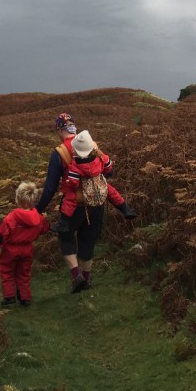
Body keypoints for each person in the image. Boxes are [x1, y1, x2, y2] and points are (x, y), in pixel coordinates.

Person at [35, 112, 135, 294]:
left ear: (59, 129)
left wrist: (37, 210)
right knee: (88, 241)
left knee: (66, 237)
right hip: (97, 203)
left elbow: (49, 188)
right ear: (74, 127)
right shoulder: (93, 145)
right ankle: (87, 280)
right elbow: (108, 172)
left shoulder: (60, 153)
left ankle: (76, 277)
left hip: (73, 206)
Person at [0, 181, 50, 307]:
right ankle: (25, 297)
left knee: (7, 271)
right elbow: (44, 228)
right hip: (27, 248)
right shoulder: (38, 217)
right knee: (24, 272)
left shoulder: (13, 216)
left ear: (18, 199)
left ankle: (9, 296)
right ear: (33, 200)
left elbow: (1, 232)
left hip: (10, 249)